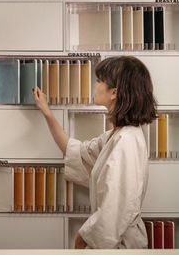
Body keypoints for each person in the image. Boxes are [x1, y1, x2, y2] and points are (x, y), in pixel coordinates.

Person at [32, 55, 157, 249]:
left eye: (100, 80)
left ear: (114, 92)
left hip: (119, 244)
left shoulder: (126, 141)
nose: (95, 84)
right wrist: (47, 112)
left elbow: (115, 210)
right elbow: (75, 151)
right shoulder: (115, 137)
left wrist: (83, 239)